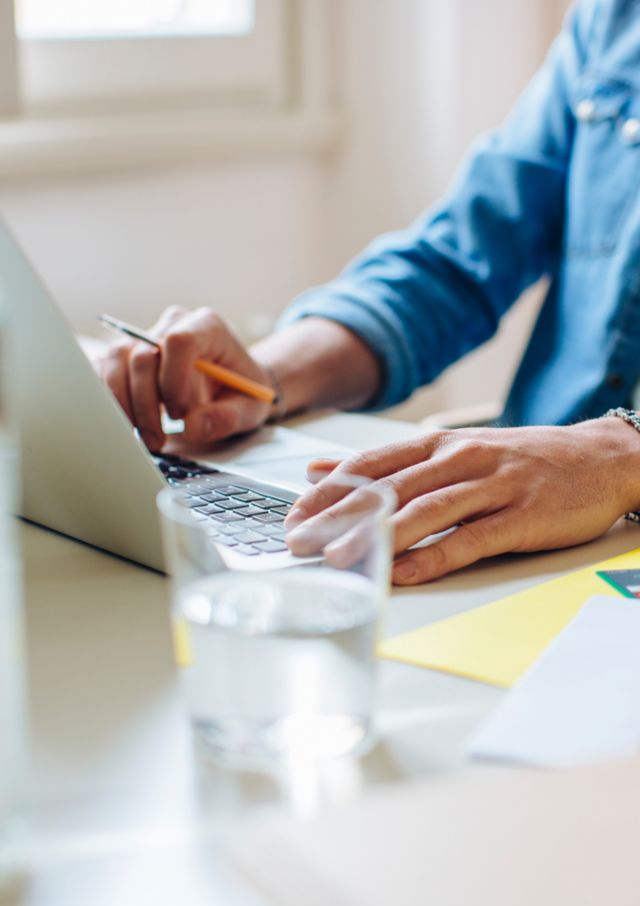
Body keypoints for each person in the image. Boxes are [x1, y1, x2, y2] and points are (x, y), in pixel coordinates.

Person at [99, 0, 640, 585]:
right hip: (526, 546)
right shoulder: (613, 20)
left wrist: (621, 459)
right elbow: (454, 263)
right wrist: (265, 376)